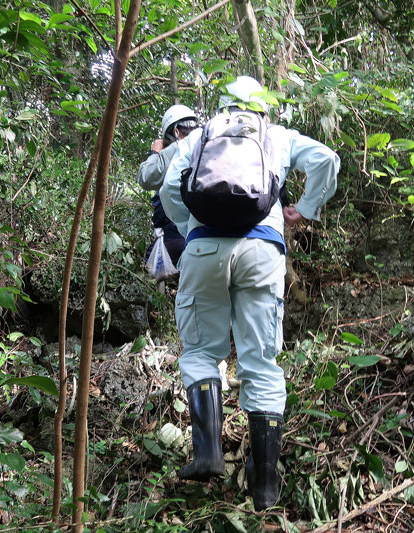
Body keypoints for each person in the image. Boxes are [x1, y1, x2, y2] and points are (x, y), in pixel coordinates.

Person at [160, 76, 340, 511]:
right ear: (262, 106)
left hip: (204, 247)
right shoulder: (274, 134)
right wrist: (306, 209)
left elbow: (168, 187)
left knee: (202, 351)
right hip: (263, 248)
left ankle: (206, 454)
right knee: (260, 361)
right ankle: (265, 486)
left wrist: (192, 230)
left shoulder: (203, 133)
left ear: (222, 106)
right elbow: (327, 160)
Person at [137, 104, 199, 266]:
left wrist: (155, 153)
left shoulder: (182, 147)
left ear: (176, 132)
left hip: (183, 237)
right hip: (225, 233)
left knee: (149, 264)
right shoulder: (210, 141)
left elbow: (146, 177)